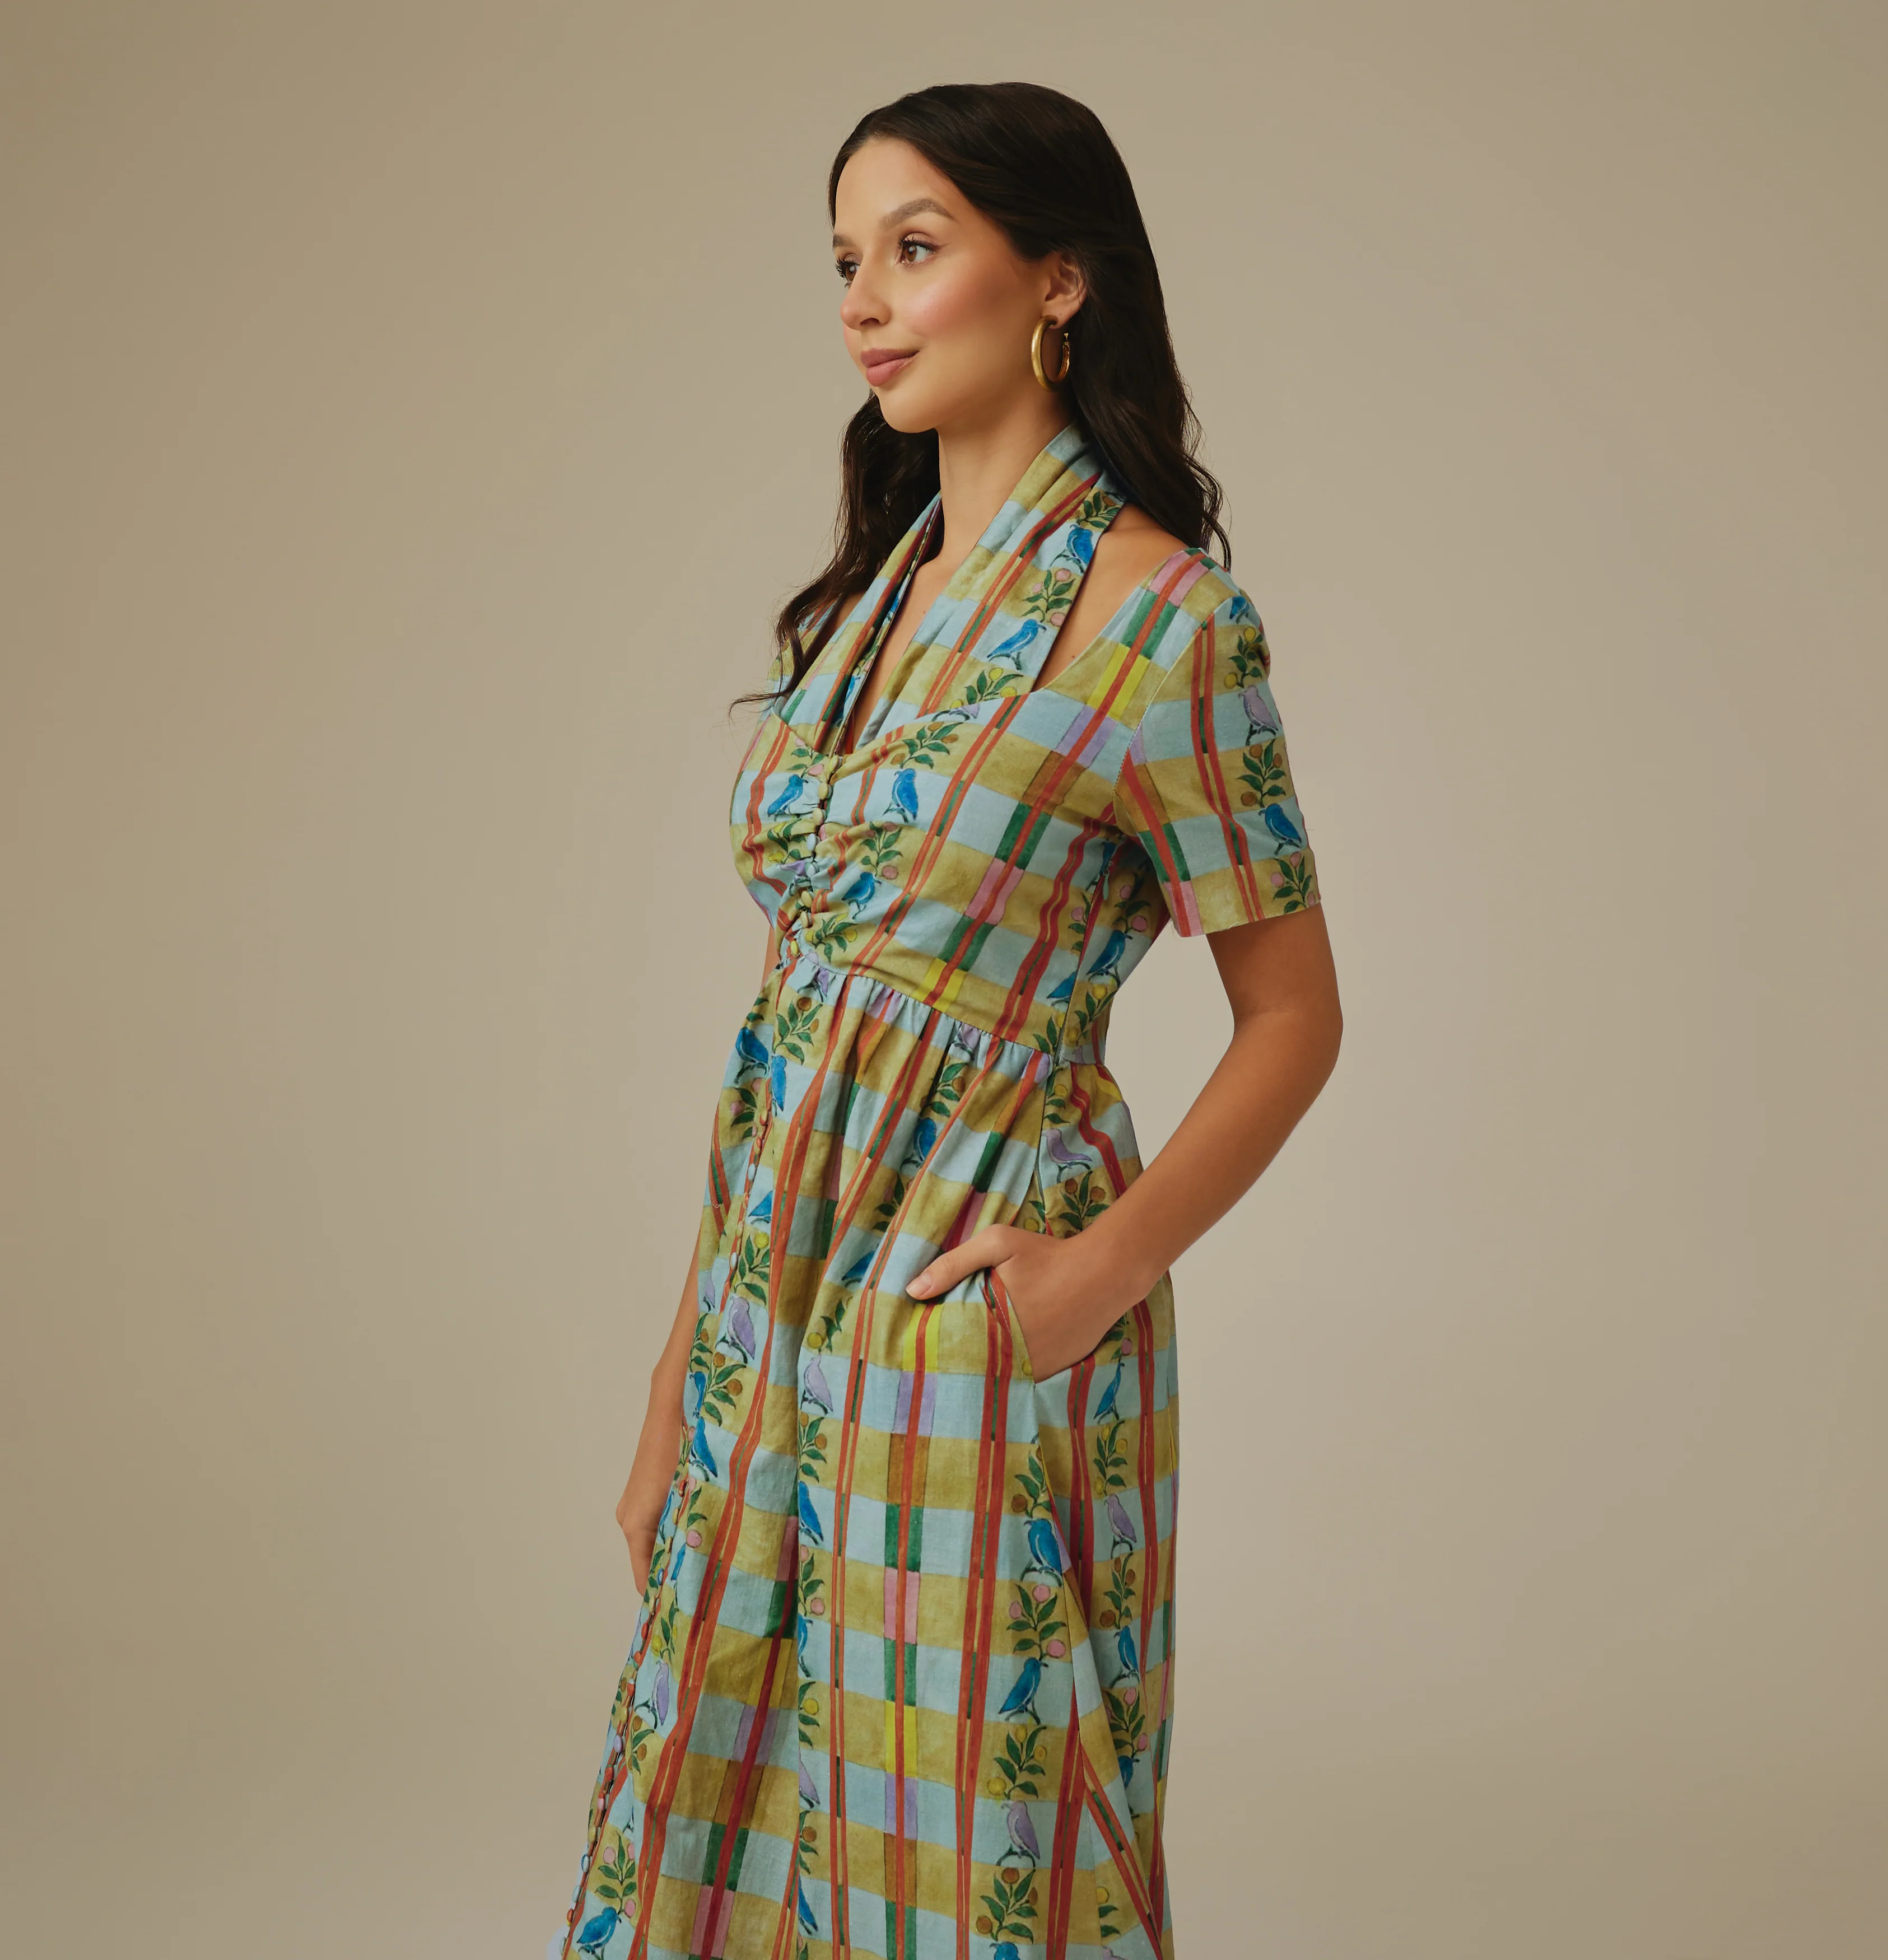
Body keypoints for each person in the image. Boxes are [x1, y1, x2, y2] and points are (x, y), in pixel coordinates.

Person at [557, 81, 1342, 1960]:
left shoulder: (1166, 623)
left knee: (967, 1830)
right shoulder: (866, 602)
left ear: (1058, 278)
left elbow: (1295, 1016)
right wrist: (679, 1366)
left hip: (962, 1301)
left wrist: (1086, 1277)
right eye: (846, 258)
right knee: (721, 1811)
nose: (863, 301)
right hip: (765, 1311)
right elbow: (795, 1039)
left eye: (915, 249)